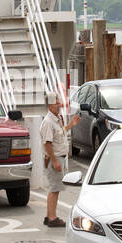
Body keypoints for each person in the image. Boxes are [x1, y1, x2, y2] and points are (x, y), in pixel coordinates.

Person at [40, 92, 80, 227]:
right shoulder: (48, 122)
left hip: (58, 157)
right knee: (55, 188)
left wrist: (71, 125)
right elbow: (47, 143)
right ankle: (52, 218)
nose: (59, 105)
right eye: (57, 103)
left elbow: (60, 133)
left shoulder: (56, 119)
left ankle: (49, 216)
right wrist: (55, 161)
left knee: (55, 188)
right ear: (50, 106)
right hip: (55, 158)